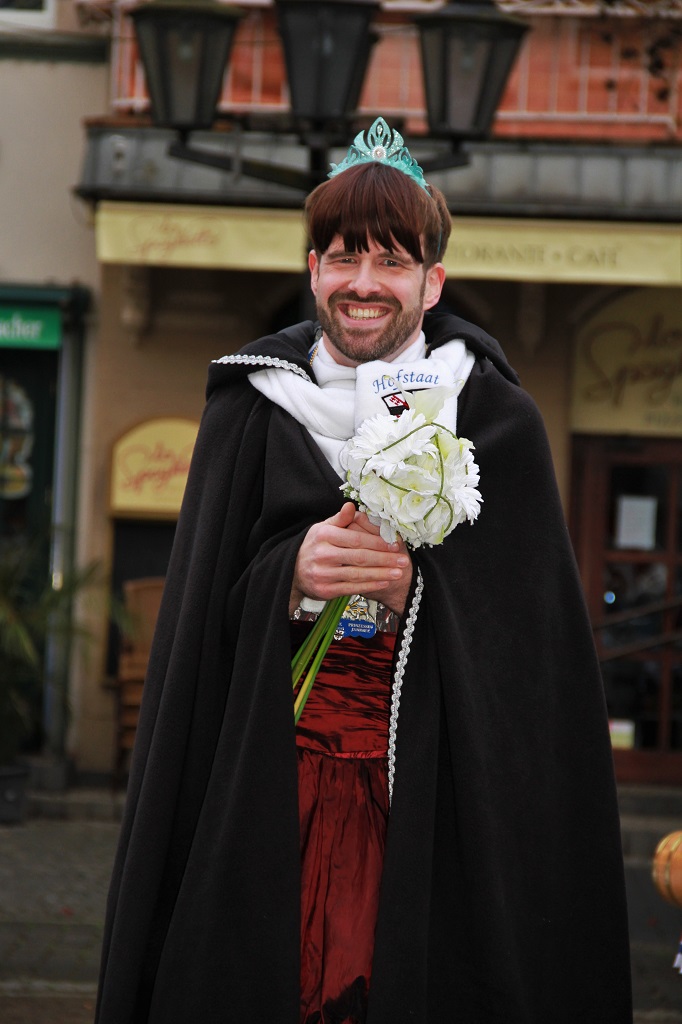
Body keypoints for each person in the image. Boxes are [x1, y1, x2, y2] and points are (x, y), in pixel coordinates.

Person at [95, 117, 632, 1024]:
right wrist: (288, 574)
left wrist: (419, 593)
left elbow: (532, 653)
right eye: (344, 257)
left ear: (432, 281)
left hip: (433, 806)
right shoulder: (249, 409)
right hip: (270, 794)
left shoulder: (496, 417)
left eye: (391, 261)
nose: (364, 284)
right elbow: (196, 627)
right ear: (313, 270)